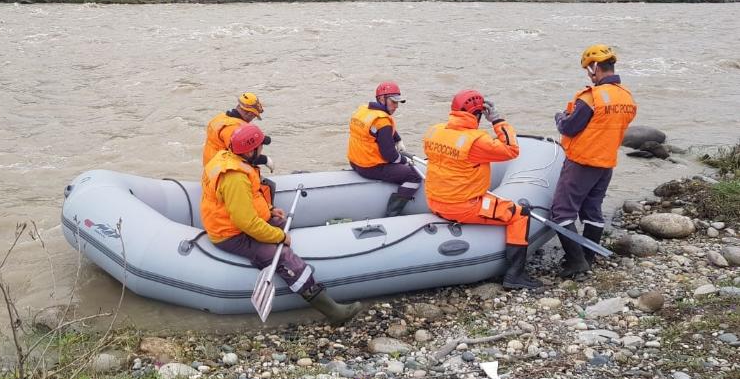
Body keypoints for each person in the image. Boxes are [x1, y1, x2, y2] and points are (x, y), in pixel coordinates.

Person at [201, 123, 364, 325]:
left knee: (281, 222)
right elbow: (246, 222)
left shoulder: (226, 157)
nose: (262, 149)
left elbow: (248, 200)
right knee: (284, 256)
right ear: (250, 150)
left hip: (234, 221)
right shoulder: (234, 178)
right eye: (260, 146)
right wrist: (279, 237)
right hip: (231, 234)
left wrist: (268, 211)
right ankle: (333, 312)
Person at [422, 89, 541, 290]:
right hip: (463, 206)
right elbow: (512, 149)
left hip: (434, 200)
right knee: (520, 214)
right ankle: (515, 274)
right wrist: (497, 120)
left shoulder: (435, 131)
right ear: (478, 114)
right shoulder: (476, 141)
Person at [552, 44, 637, 277]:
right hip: (606, 163)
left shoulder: (592, 97)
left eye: (589, 69)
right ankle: (589, 257)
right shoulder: (626, 96)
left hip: (582, 162)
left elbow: (569, 127)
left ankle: (576, 261)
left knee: (561, 212)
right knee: (592, 210)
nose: (589, 73)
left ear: (596, 67)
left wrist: (560, 116)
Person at [347, 81, 423, 217]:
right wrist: (405, 161)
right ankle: (392, 213)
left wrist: (397, 139)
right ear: (382, 99)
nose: (396, 106)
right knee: (414, 176)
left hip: (354, 163)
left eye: (398, 103)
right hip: (370, 167)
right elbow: (390, 156)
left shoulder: (364, 110)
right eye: (393, 102)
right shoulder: (382, 121)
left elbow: (376, 130)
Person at [203, 92, 274, 171]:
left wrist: (262, 138)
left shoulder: (221, 118)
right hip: (222, 169)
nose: (252, 119)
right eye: (254, 116)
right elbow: (242, 154)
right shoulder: (233, 128)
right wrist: (265, 160)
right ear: (250, 113)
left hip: (211, 164)